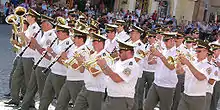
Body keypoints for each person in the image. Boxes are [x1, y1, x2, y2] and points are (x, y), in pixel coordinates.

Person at [19, 14, 57, 110]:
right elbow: (34, 47)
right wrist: (29, 41)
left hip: (43, 66)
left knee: (42, 91)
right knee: (30, 88)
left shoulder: (51, 36)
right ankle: (24, 106)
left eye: (43, 23)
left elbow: (47, 54)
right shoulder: (45, 34)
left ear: (48, 24)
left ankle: (43, 107)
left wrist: (35, 45)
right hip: (37, 63)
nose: (41, 25)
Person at [5, 8, 41, 106]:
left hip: (30, 57)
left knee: (28, 81)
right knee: (15, 77)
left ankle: (30, 102)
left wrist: (23, 36)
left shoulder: (36, 29)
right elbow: (24, 43)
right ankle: (15, 98)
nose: (26, 17)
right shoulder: (30, 28)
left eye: (28, 16)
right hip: (23, 55)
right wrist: (17, 42)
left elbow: (34, 45)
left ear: (33, 18)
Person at [97, 39, 140, 110]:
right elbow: (108, 73)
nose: (118, 53)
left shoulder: (132, 66)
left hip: (121, 98)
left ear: (129, 52)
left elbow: (117, 79)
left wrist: (105, 66)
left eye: (121, 51)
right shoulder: (119, 62)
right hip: (111, 96)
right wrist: (101, 65)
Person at [55, 26, 90, 110]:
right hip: (69, 79)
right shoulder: (74, 48)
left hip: (77, 81)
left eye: (75, 37)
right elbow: (69, 64)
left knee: (78, 105)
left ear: (81, 39)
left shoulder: (84, 51)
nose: (74, 39)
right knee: (60, 103)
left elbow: (79, 67)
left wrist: (65, 59)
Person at [39, 24, 73, 110]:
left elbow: (64, 62)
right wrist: (47, 55)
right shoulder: (57, 41)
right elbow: (53, 58)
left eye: (58, 32)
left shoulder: (69, 44)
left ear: (65, 33)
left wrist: (52, 53)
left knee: (61, 100)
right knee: (45, 96)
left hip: (61, 75)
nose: (56, 33)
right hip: (52, 71)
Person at [177, 40, 216, 110]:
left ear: (206, 52)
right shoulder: (192, 62)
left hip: (197, 97)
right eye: (196, 51)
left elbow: (200, 77)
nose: (197, 53)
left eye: (199, 51)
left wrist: (188, 63)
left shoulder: (209, 66)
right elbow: (180, 72)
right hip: (185, 95)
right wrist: (178, 62)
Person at [73, 32, 107, 110]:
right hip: (86, 87)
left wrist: (84, 62)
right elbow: (82, 70)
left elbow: (95, 73)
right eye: (92, 42)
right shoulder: (92, 55)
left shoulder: (104, 56)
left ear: (101, 43)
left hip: (96, 90)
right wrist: (79, 61)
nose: (93, 44)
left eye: (95, 42)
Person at [144, 32, 177, 110]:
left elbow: (171, 67)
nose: (164, 42)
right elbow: (150, 62)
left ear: (172, 41)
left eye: (166, 40)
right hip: (156, 83)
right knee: (147, 106)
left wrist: (160, 55)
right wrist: (152, 53)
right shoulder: (163, 51)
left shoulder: (176, 53)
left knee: (165, 108)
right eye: (164, 40)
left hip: (167, 85)